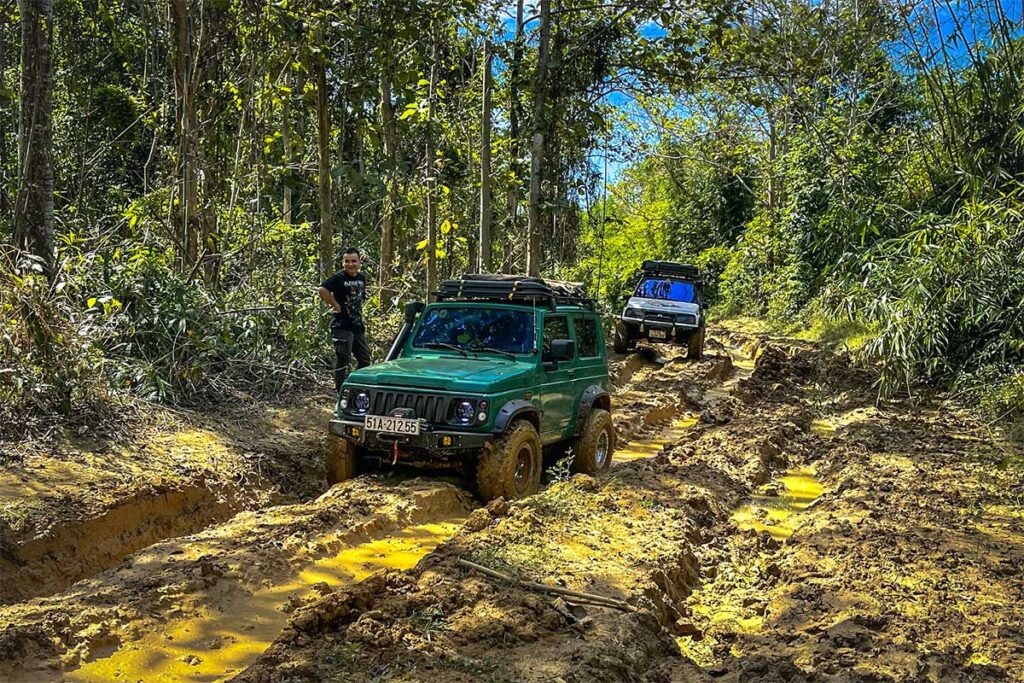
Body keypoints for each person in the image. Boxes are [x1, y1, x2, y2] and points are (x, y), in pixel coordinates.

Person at [319, 247, 371, 394]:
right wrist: (335, 304)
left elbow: (360, 299)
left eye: (353, 261)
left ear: (359, 262)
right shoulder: (338, 278)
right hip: (341, 326)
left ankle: (356, 387)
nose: (350, 264)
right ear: (343, 263)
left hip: (357, 326)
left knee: (364, 359)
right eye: (347, 261)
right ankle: (340, 391)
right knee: (343, 359)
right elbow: (322, 289)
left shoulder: (361, 278)